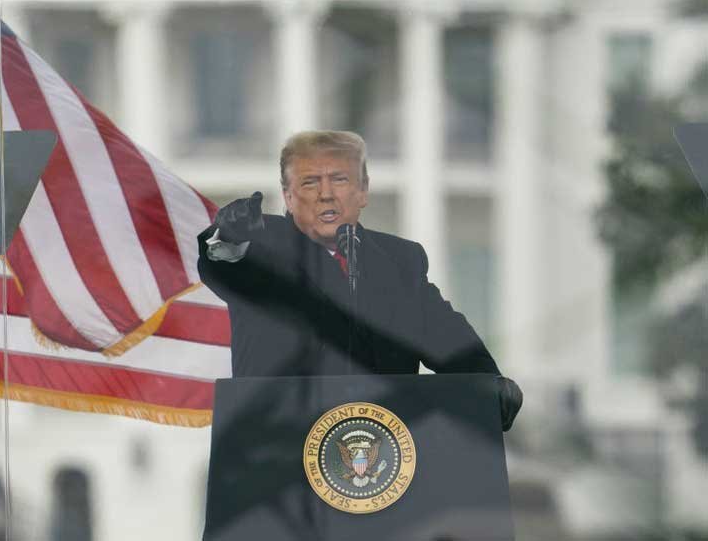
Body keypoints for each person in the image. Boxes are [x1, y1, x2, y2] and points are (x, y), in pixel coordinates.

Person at [197, 130, 522, 430]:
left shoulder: (401, 261)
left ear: (363, 191)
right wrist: (231, 240)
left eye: (339, 180)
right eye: (310, 183)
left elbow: (449, 341)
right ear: (288, 196)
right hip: (278, 449)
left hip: (385, 454)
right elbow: (226, 263)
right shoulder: (260, 246)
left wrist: (490, 385)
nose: (326, 195)